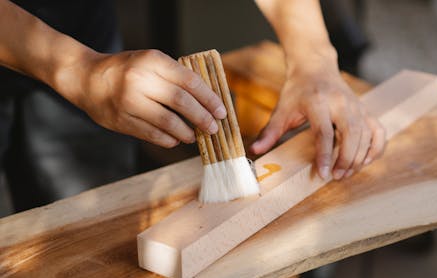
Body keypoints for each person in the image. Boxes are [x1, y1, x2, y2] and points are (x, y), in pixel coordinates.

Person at [0, 0, 385, 212]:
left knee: (84, 248)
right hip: (64, 53)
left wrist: (314, 58)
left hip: (78, 27)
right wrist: (75, 68)